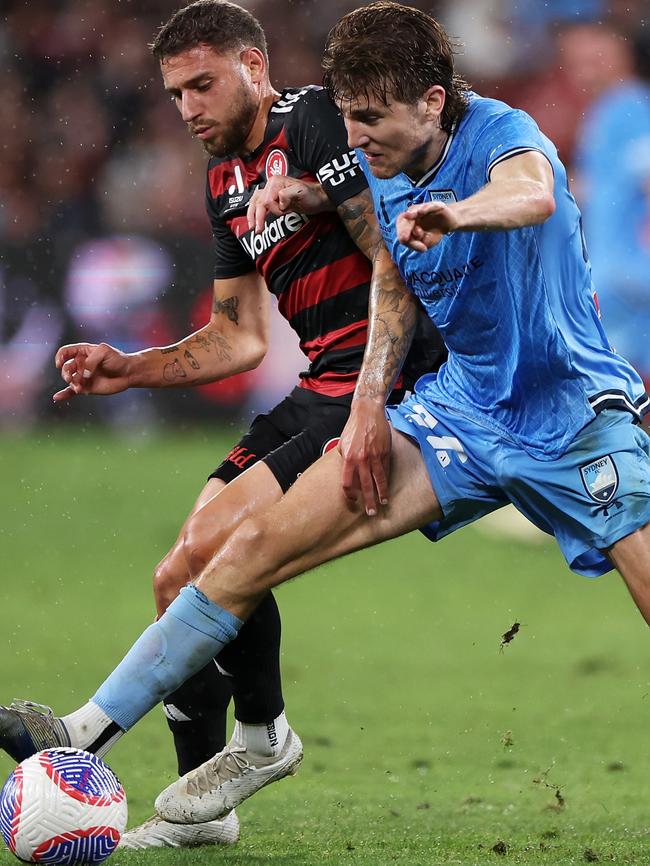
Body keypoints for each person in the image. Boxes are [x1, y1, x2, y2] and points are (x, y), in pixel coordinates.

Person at [4, 0, 650, 830]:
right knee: (246, 552)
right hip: (455, 413)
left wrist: (458, 212)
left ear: (433, 102)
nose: (355, 137)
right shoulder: (364, 162)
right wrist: (373, 408)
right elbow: (386, 274)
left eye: (371, 119)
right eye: (348, 119)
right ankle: (87, 736)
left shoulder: (502, 133)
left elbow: (529, 194)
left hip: (570, 415)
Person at [0, 0, 443, 850]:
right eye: (173, 95)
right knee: (177, 574)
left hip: (382, 386)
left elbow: (390, 256)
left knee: (225, 549)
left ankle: (252, 734)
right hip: (318, 385)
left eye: (202, 84)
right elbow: (241, 337)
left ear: (252, 66)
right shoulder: (222, 183)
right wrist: (131, 365)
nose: (188, 108)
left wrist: (372, 402)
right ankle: (208, 809)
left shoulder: (316, 121)